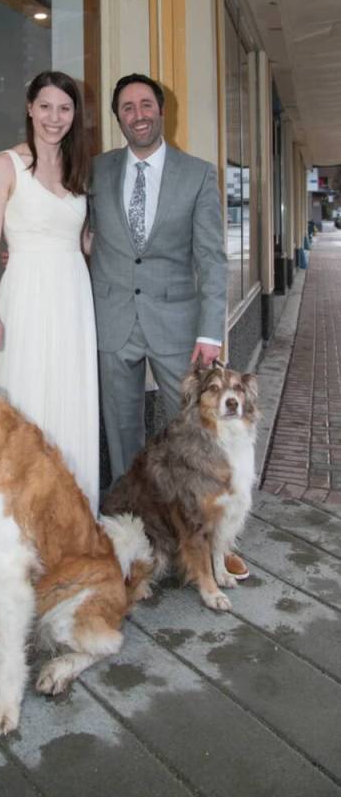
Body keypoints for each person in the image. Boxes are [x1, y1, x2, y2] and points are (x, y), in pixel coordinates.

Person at [92, 73, 247, 578]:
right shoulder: (98, 170)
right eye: (127, 108)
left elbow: (212, 258)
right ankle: (131, 537)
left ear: (162, 111)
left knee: (187, 439)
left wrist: (209, 332)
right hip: (113, 320)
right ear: (119, 118)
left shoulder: (197, 174)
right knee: (121, 434)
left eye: (145, 104)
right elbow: (78, 229)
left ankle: (202, 536)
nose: (137, 114)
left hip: (179, 325)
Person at [0, 70, 99, 514]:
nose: (55, 117)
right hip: (25, 296)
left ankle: (71, 522)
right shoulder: (4, 164)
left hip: (73, 299)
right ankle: (20, 521)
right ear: (30, 108)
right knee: (26, 399)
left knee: (70, 401)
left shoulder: (79, 169)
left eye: (65, 109)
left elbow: (84, 243)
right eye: (45, 106)